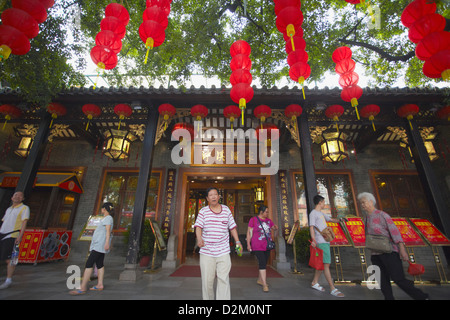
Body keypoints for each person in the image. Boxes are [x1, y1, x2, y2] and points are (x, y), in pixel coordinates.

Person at [358, 192, 429, 300]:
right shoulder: (367, 218)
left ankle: (421, 296)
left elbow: (395, 232)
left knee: (398, 278)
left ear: (371, 202)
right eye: (361, 203)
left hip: (390, 252)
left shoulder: (382, 215)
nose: (362, 205)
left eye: (363, 202)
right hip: (375, 254)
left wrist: (402, 250)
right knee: (382, 280)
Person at [194, 187, 242, 300]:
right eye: (211, 195)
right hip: (207, 252)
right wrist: (199, 238)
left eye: (215, 194)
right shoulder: (203, 211)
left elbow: (232, 227)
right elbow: (198, 227)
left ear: (219, 197)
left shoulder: (226, 210)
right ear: (207, 198)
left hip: (223, 251)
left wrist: (238, 241)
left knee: (223, 279)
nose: (214, 197)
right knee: (207, 281)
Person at [70, 202, 114, 295]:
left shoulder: (108, 218)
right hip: (100, 245)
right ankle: (100, 284)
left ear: (104, 209)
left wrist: (107, 243)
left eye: (102, 208)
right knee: (99, 264)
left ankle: (82, 287)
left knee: (89, 263)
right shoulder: (107, 218)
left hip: (99, 245)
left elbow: (108, 231)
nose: (101, 210)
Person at [309, 194, 345, 298]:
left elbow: (331, 220)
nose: (324, 204)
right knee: (326, 265)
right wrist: (314, 240)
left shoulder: (321, 213)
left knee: (322, 264)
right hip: (321, 242)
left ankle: (315, 282)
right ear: (320, 202)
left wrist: (341, 220)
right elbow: (311, 227)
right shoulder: (313, 213)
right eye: (324, 202)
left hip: (325, 241)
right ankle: (332, 288)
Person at [0, 191, 30, 289]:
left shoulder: (24, 208)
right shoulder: (9, 209)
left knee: (11, 259)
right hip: (2, 234)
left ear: (23, 199)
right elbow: (4, 222)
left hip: (12, 235)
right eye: (15, 195)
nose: (17, 197)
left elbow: (24, 222)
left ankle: (8, 280)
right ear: (12, 198)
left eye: (20, 195)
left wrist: (20, 236)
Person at [246, 205, 278, 292]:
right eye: (266, 212)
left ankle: (260, 280)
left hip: (267, 245)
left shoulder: (269, 221)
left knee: (263, 262)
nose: (267, 213)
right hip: (257, 245)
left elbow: (272, 227)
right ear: (261, 212)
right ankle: (264, 284)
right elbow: (248, 233)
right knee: (262, 263)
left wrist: (275, 227)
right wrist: (248, 244)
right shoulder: (253, 220)